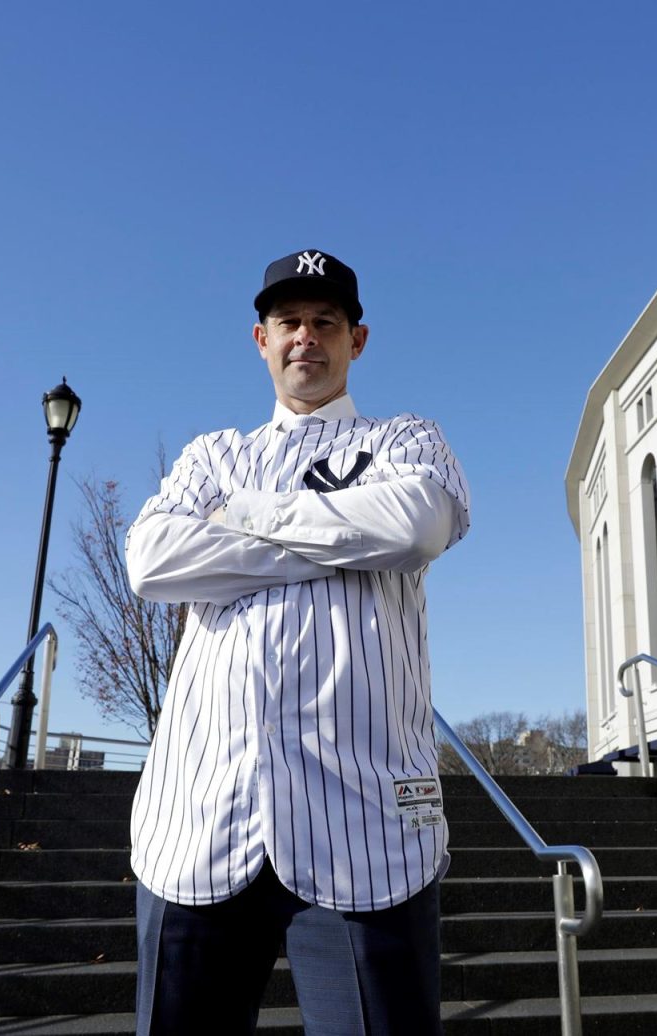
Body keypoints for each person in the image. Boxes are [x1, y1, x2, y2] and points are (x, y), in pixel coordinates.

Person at [123, 248, 470, 1035]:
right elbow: (151, 559)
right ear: (261, 339)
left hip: (366, 821)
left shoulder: (406, 440)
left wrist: (240, 518)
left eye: (325, 322)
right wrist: (344, 533)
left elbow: (412, 528)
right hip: (204, 814)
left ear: (358, 339)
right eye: (289, 323)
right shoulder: (213, 454)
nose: (306, 337)